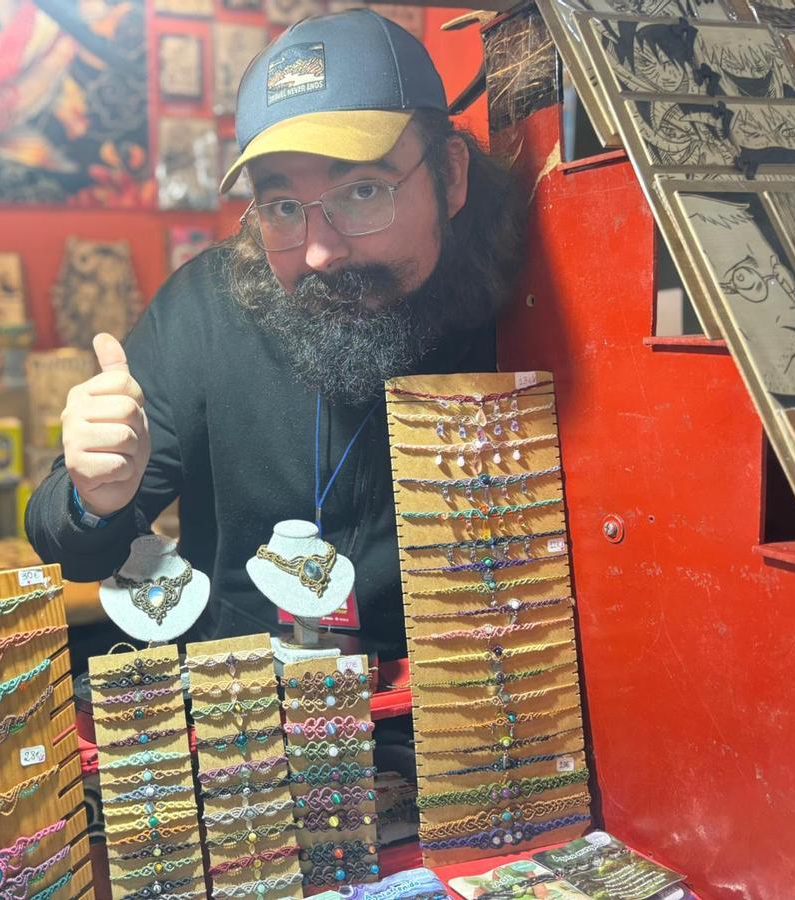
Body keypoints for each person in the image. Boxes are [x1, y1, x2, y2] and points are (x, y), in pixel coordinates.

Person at [26, 8, 525, 655]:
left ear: (450, 175)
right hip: (243, 714)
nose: (319, 251)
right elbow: (69, 544)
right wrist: (93, 493)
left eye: (363, 191)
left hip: (450, 717)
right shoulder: (203, 307)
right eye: (284, 207)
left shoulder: (524, 317)